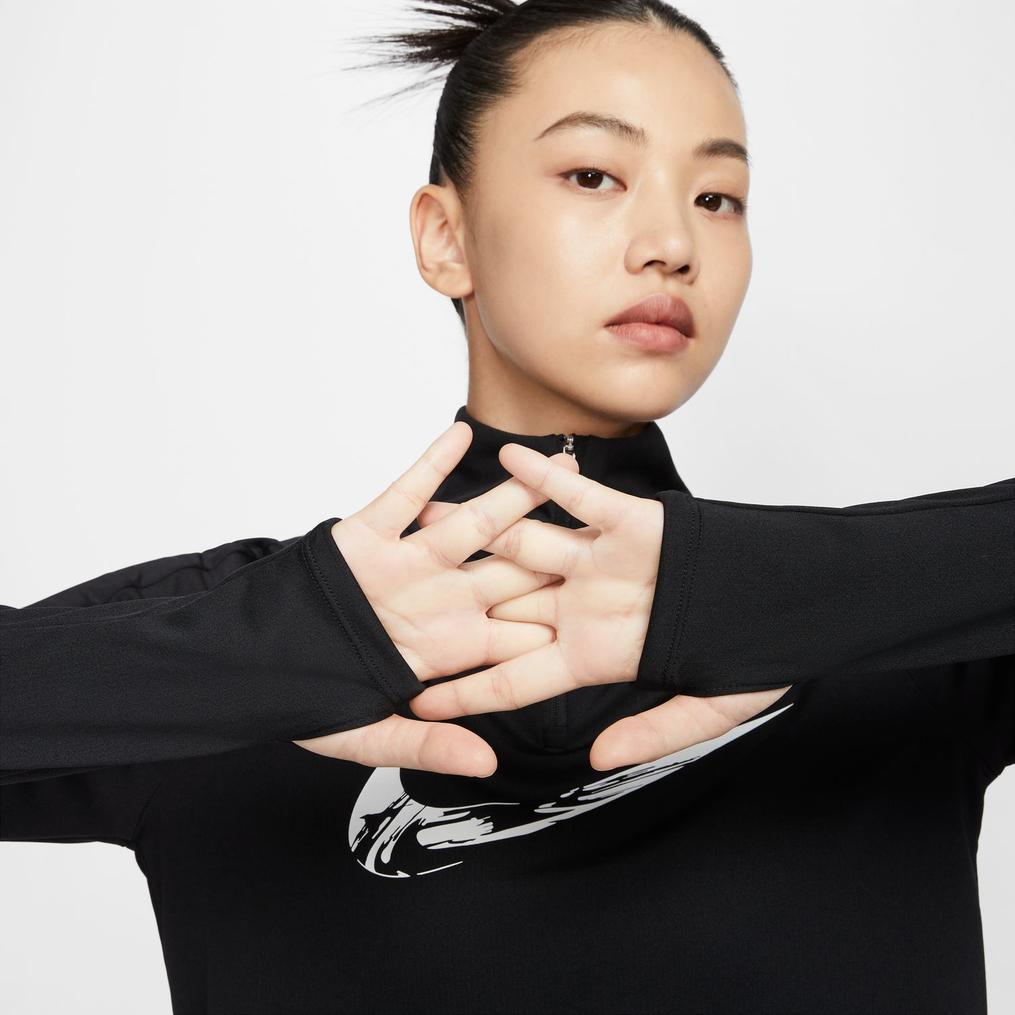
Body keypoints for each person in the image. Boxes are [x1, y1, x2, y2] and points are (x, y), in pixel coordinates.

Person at [2, 1, 1012, 1012]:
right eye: (593, 175)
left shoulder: (907, 631)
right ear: (446, 237)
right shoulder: (233, 632)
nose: (672, 242)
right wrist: (291, 638)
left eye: (717, 197)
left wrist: (749, 591)